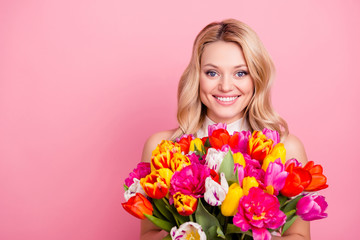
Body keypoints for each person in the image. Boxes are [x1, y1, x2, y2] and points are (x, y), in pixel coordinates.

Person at [140, 19, 311, 240]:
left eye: (241, 73)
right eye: (212, 73)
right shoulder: (162, 148)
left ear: (257, 78)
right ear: (197, 77)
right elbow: (147, 235)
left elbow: (300, 236)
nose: (226, 86)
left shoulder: (286, 148)